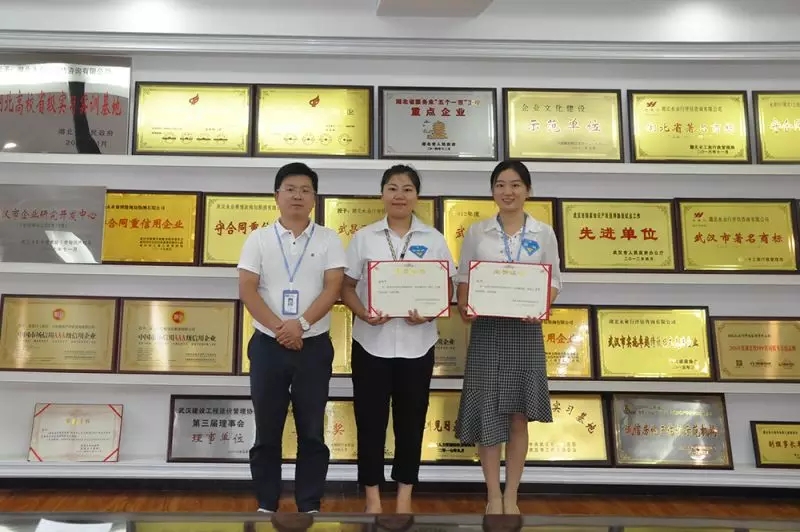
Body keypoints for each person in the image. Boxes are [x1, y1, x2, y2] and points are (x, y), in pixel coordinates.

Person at [340, 165, 456, 514]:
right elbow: (346, 286)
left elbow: (447, 286)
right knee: (370, 422)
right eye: (392, 188)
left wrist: (430, 312)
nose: (399, 195)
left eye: (407, 189)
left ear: (417, 196)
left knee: (411, 423)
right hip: (370, 343)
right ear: (382, 194)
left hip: (417, 344)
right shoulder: (364, 237)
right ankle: (372, 497)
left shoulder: (433, 238)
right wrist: (363, 313)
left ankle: (405, 496)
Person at [454, 160, 562, 515]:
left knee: (518, 415)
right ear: (492, 191)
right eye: (500, 184)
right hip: (487, 328)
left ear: (528, 190)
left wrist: (539, 305)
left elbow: (554, 282)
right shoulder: (478, 232)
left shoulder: (543, 233)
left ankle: (512, 494)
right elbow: (464, 278)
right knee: (488, 412)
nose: (508, 191)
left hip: (525, 330)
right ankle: (492, 495)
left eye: (515, 184)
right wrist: (465, 305)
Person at [237, 162, 347, 513]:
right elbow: (248, 289)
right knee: (266, 430)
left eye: (305, 190)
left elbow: (333, 288)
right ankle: (266, 503)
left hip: (313, 346)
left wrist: (300, 324)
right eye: (290, 189)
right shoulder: (258, 239)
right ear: (277, 195)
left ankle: (309, 503)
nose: (297, 195)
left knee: (312, 430)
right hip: (268, 346)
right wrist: (280, 329)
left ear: (314, 198)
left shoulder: (329, 239)